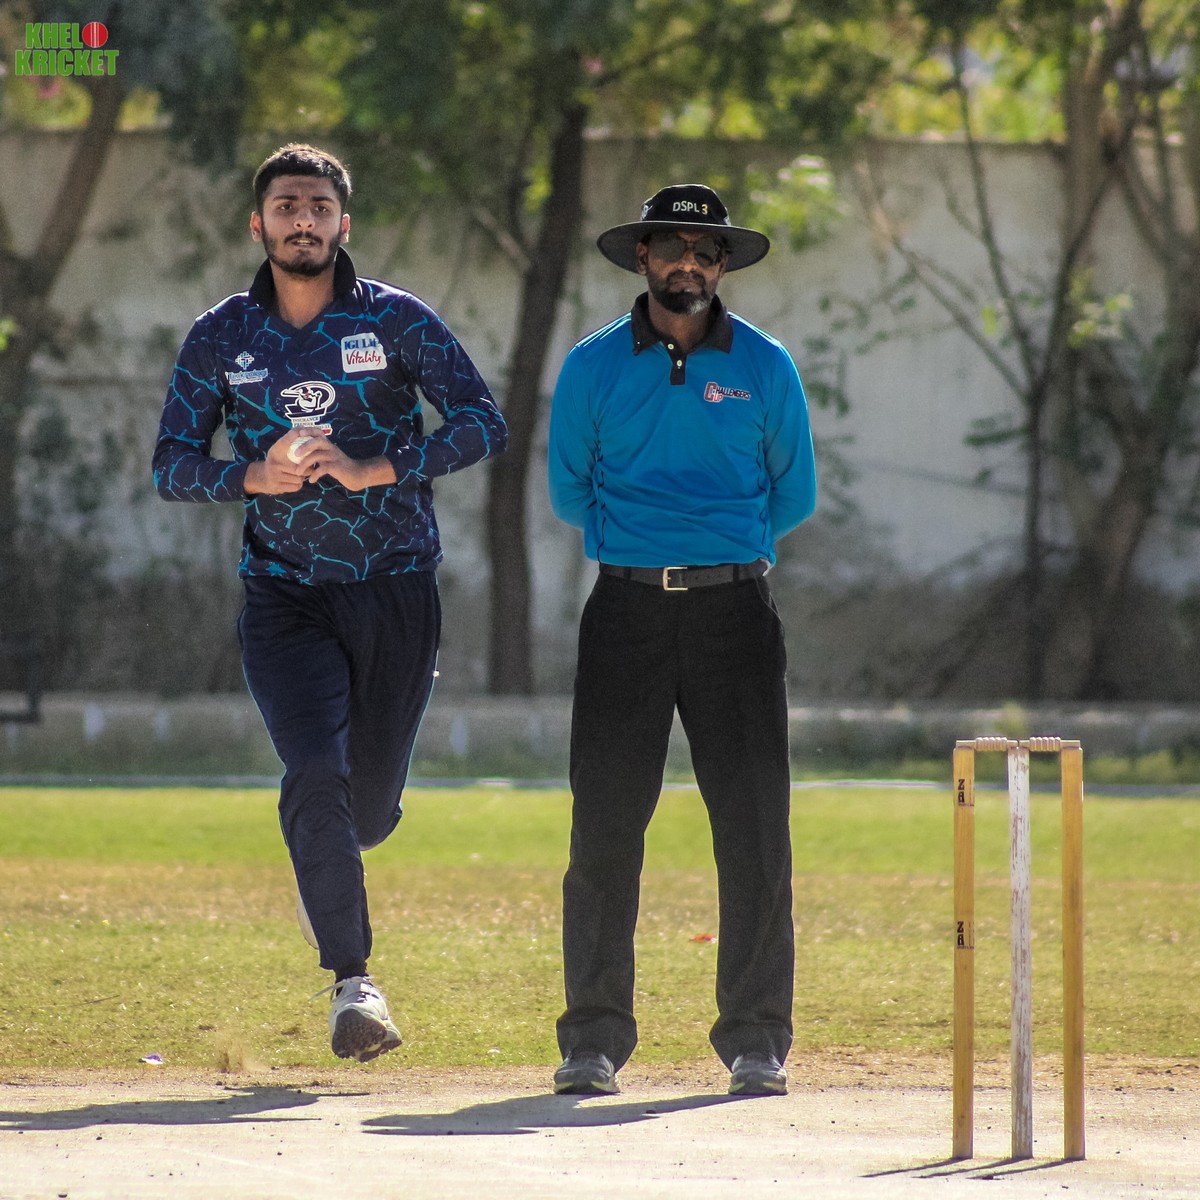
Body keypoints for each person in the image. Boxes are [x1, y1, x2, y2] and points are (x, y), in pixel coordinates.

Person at [153, 143, 507, 1062]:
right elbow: (171, 465)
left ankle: (335, 850)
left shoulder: (396, 319)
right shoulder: (221, 335)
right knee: (315, 770)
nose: (301, 219)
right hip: (284, 595)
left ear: (343, 223)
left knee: (366, 810)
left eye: (317, 206)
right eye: (285, 205)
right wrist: (252, 476)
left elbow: (483, 423)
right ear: (258, 223)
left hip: (395, 587)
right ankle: (356, 986)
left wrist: (372, 467)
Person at [547, 184, 817, 1097]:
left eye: (706, 251)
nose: (689, 264)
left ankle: (756, 1038)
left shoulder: (765, 365)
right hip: (625, 612)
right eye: (673, 248)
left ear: (723, 265)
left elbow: (795, 492)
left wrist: (725, 549)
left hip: (734, 614)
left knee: (754, 830)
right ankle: (593, 1039)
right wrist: (640, 548)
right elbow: (569, 490)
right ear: (643, 258)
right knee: (604, 829)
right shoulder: (592, 365)